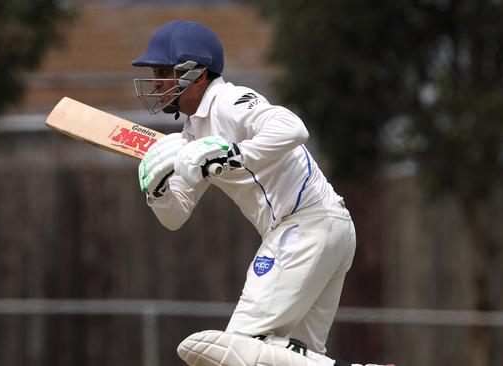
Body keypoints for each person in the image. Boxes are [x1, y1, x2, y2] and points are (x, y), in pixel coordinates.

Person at [132, 20, 391, 366]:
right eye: (155, 73)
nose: (157, 83)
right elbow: (176, 216)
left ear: (199, 72)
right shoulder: (192, 134)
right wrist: (158, 190)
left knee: (237, 352)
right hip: (326, 229)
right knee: (289, 354)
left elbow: (293, 128)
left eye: (165, 71)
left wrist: (228, 153)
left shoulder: (228, 101)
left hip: (303, 226)